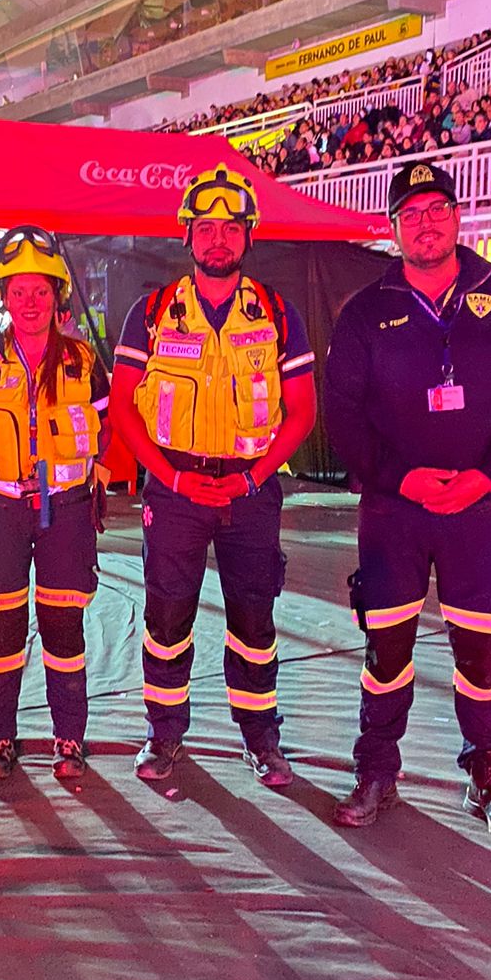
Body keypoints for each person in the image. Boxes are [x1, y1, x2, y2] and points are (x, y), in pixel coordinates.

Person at [323, 160, 491, 844]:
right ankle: (376, 773)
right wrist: (400, 479)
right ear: (393, 229)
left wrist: (490, 477)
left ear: (456, 217)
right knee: (385, 651)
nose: (425, 222)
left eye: (437, 209)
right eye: (411, 213)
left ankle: (490, 778)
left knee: (482, 657)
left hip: (478, 512)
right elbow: (342, 414)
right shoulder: (365, 312)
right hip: (394, 513)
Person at [108, 165, 317, 787]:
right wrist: (172, 480)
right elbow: (123, 409)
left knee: (254, 622)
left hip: (250, 492)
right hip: (175, 492)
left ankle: (261, 739)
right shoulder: (152, 313)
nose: (218, 239)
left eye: (230, 228)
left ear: (248, 236)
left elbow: (303, 413)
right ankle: (164, 734)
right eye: (205, 228)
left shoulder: (276, 314)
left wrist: (252, 479)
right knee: (166, 620)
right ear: (187, 237)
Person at [0, 225, 108, 781]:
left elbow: (107, 426)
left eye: (40, 291)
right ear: (2, 295)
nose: (29, 302)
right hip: (0, 511)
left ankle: (69, 740)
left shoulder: (83, 360)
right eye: (18, 291)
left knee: (64, 625)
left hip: (65, 510)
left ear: (57, 294)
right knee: (1, 630)